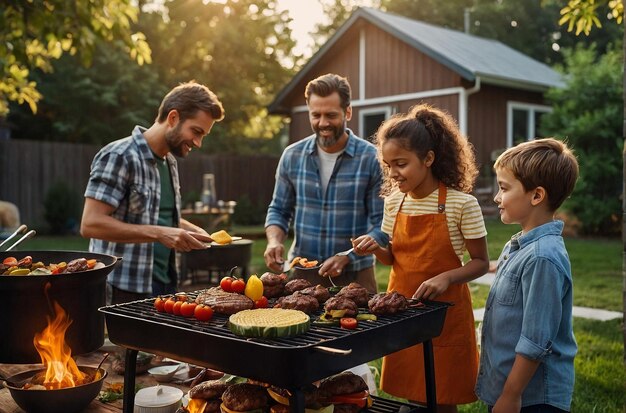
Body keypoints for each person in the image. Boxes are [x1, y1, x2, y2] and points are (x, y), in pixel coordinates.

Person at [352, 103, 489, 413]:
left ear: (428, 159)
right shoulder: (393, 203)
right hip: (403, 310)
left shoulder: (461, 205)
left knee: (442, 396)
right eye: (387, 165)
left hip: (445, 315)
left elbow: (481, 262)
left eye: (400, 163)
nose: (392, 173)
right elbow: (393, 259)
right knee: (414, 392)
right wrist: (376, 249)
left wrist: (446, 278)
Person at [81, 81, 225, 304]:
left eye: (203, 135)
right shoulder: (120, 155)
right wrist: (160, 233)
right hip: (124, 285)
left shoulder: (170, 162)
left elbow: (155, 216)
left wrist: (191, 230)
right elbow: (90, 223)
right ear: (173, 118)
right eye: (196, 132)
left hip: (165, 283)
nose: (198, 143)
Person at [475, 138, 579, 413]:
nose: (497, 197)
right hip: (508, 389)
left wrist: (510, 395)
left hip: (532, 397)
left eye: (504, 188)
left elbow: (535, 340)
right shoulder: (521, 244)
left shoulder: (542, 257)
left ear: (536, 196)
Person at [263, 73, 388, 293]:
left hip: (356, 277)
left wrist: (348, 256)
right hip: (301, 275)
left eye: (330, 115)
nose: (323, 123)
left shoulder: (372, 158)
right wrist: (274, 241)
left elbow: (383, 225)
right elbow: (279, 210)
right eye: (316, 115)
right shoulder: (292, 156)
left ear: (347, 111)